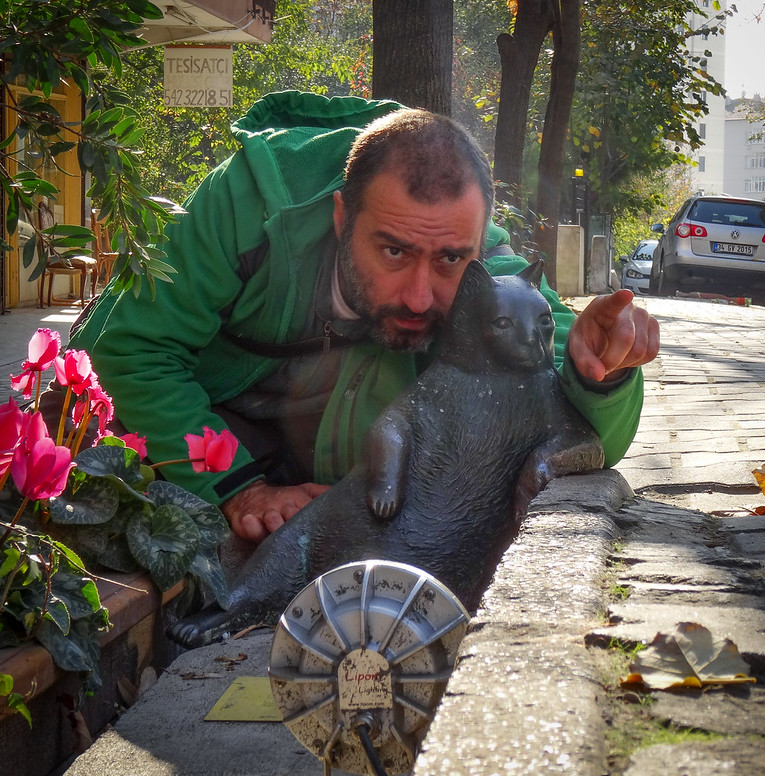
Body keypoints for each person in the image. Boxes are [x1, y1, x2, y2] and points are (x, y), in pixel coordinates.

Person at [70, 90, 659, 543]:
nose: (421, 297)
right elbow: (129, 352)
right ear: (339, 217)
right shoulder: (243, 207)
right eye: (394, 251)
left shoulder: (487, 265)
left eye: (451, 258)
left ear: (479, 243)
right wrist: (239, 493)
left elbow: (585, 431)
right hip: (206, 427)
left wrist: (599, 370)